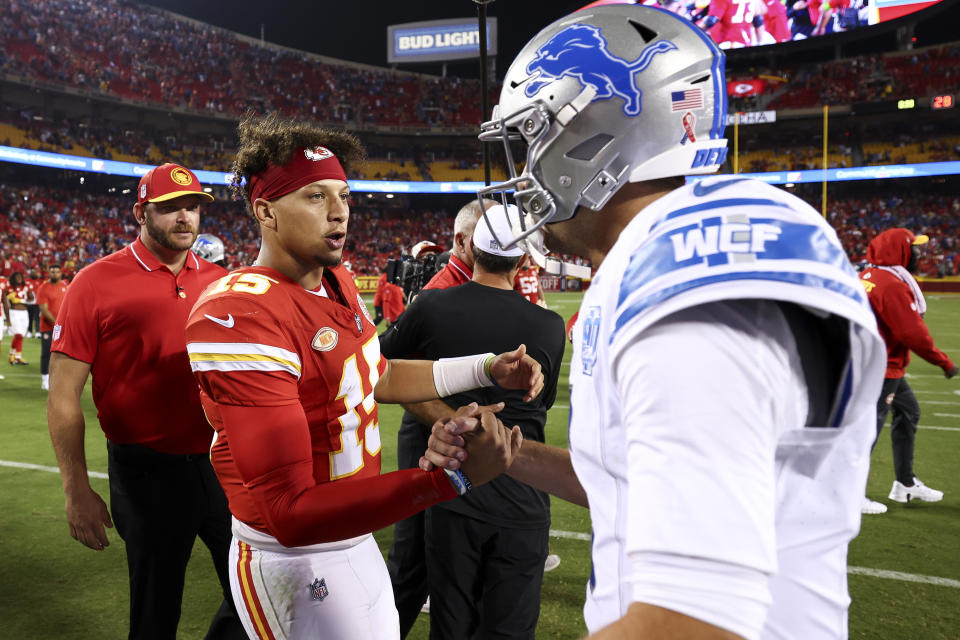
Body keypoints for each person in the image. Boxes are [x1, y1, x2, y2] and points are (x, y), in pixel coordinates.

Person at [424, 5, 887, 639]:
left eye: (532, 137)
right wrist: (512, 456)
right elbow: (636, 486)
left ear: (591, 139)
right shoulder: (640, 261)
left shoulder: (693, 261)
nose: (522, 168)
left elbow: (693, 618)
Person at [183, 112, 540, 640]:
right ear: (265, 211)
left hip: (354, 535)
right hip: (295, 559)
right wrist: (451, 479)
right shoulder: (238, 313)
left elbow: (378, 374)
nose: (340, 213)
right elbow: (288, 512)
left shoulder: (337, 279)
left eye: (344, 196)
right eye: (315, 196)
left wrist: (486, 368)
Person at [47, 162, 247, 640]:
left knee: (254, 598)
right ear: (141, 212)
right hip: (146, 474)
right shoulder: (94, 283)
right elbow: (62, 395)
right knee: (156, 617)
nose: (185, 218)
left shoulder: (222, 282)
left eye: (193, 207)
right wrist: (76, 489)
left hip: (224, 464)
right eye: (170, 208)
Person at [382, 206, 566, 639]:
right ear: (522, 261)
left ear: (470, 248)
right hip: (523, 490)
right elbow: (544, 403)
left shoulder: (429, 305)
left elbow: (378, 367)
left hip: (453, 485)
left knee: (451, 622)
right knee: (510, 626)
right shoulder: (550, 326)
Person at [860, 228, 952, 513]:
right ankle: (849, 494)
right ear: (899, 250)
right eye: (914, 248)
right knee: (867, 432)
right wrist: (944, 362)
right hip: (882, 367)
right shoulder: (890, 284)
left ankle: (905, 483)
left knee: (909, 411)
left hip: (877, 362)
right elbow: (913, 335)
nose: (919, 253)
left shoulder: (870, 275)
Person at [36, 264, 68, 391]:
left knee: (63, 354)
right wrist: (57, 323)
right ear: (49, 273)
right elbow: (43, 308)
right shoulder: (43, 288)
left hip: (62, 327)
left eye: (57, 272)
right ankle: (45, 380)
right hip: (48, 327)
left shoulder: (64, 286)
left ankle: (58, 379)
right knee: (46, 353)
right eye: (52, 272)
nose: (55, 274)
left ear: (61, 273)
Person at [3, 271, 34, 365]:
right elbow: (4, 299)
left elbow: (32, 298)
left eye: (20, 276)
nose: (19, 278)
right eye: (17, 277)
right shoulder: (8, 287)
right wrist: (9, 297)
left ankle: (17, 357)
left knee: (21, 335)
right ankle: (12, 355)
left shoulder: (26, 286)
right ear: (13, 278)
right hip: (14, 312)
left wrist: (26, 295)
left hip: (24, 312)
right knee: (19, 334)